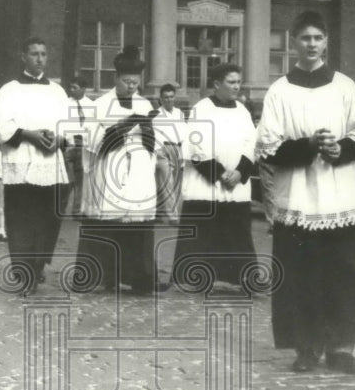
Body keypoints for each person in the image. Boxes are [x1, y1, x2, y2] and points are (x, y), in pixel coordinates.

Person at [256, 11, 355, 374]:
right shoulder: (279, 90)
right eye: (304, 38)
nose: (311, 44)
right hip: (297, 197)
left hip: (337, 195)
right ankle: (305, 347)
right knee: (300, 276)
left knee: (342, 274)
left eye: (317, 38)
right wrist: (309, 144)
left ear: (326, 42)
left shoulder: (344, 86)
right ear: (293, 42)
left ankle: (342, 346)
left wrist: (341, 149)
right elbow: (268, 147)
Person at [74, 49, 165, 295]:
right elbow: (92, 142)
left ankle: (140, 277)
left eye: (136, 82)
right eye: (127, 82)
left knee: (137, 225)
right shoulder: (100, 104)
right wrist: (121, 127)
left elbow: (155, 142)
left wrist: (147, 128)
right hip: (110, 166)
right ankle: (101, 276)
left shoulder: (145, 104)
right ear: (116, 79)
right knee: (107, 222)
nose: (132, 87)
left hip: (137, 168)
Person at [0, 37, 70, 293]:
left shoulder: (57, 91)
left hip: (49, 163)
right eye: (34, 54)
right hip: (20, 161)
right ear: (23, 56)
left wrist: (59, 139)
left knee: (47, 218)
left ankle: (38, 265)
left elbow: (67, 123)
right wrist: (30, 135)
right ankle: (23, 272)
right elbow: (2, 125)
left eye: (43, 54)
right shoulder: (10, 90)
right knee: (22, 218)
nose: (39, 59)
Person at [171, 64, 256, 290]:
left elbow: (251, 142)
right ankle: (192, 278)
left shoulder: (242, 110)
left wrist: (239, 171)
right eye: (231, 82)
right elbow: (196, 143)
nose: (237, 86)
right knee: (203, 229)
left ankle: (239, 277)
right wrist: (219, 173)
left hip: (235, 182)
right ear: (217, 84)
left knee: (236, 230)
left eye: (238, 81)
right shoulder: (202, 108)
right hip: (207, 182)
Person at [151, 82, 187, 223]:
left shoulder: (179, 113)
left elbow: (184, 133)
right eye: (165, 97)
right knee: (167, 184)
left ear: (175, 97)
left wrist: (183, 151)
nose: (168, 100)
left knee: (175, 184)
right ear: (160, 98)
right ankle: (173, 217)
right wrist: (158, 152)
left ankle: (158, 213)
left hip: (178, 149)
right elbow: (154, 135)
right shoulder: (156, 114)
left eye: (171, 97)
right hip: (162, 149)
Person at [61, 75, 96, 218]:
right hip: (69, 145)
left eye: (74, 88)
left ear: (83, 89)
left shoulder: (92, 105)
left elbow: (94, 125)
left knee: (81, 181)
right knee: (66, 180)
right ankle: (60, 209)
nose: (71, 90)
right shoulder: (64, 104)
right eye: (70, 87)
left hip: (84, 146)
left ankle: (77, 210)